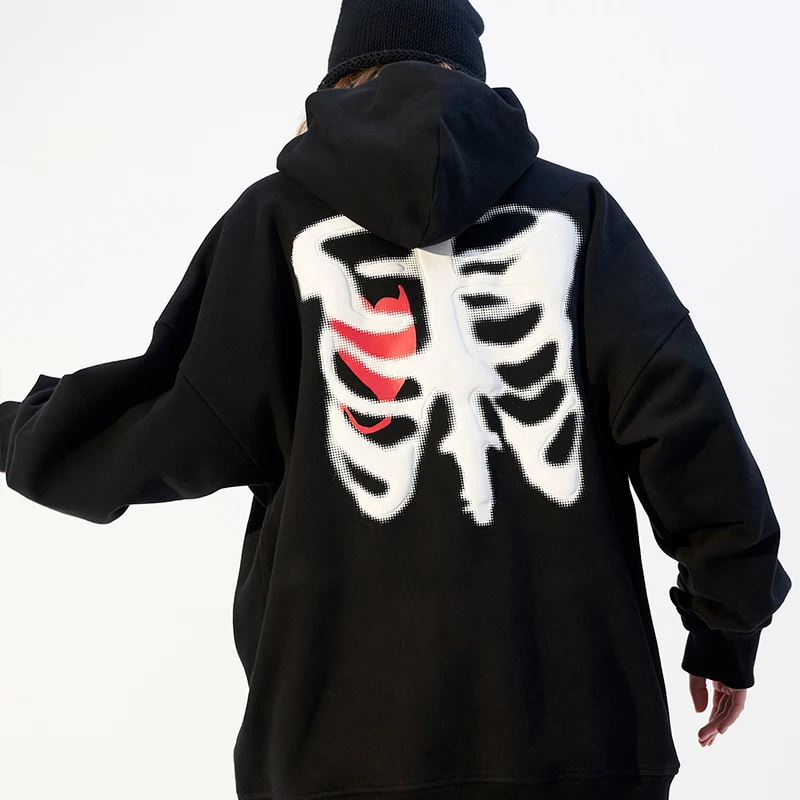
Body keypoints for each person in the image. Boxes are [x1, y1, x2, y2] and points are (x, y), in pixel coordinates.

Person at [0, 1, 791, 799]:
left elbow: (167, 417)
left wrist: (19, 435)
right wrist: (725, 626)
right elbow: (685, 422)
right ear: (470, 73)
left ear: (342, 77)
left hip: (335, 753)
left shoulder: (273, 223)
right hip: (581, 746)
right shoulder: (578, 214)